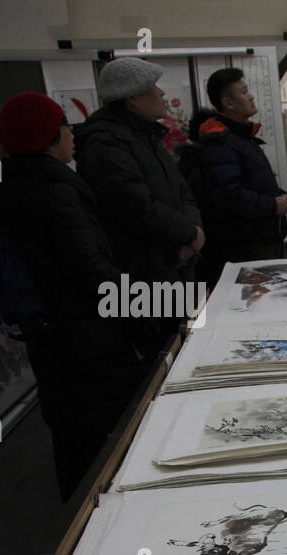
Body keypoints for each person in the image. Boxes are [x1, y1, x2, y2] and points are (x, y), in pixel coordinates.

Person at [0, 93, 145, 500]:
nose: (71, 135)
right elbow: (92, 273)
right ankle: (99, 523)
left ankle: (74, 519)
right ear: (47, 136)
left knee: (71, 435)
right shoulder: (57, 192)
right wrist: (153, 308)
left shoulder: (7, 188)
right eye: (63, 126)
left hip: (50, 335)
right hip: (88, 338)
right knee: (104, 439)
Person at [74, 57, 204, 353]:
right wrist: (188, 234)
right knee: (162, 358)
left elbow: (183, 193)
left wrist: (193, 233)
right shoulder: (105, 144)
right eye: (152, 87)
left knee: (190, 344)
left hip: (177, 265)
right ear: (132, 99)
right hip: (141, 277)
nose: (160, 93)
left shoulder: (148, 136)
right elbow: (136, 208)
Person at [189, 67, 287, 286]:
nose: (251, 96)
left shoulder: (241, 137)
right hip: (245, 244)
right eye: (244, 91)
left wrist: (280, 197)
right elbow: (227, 193)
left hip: (262, 237)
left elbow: (252, 183)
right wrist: (272, 205)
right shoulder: (220, 142)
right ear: (228, 103)